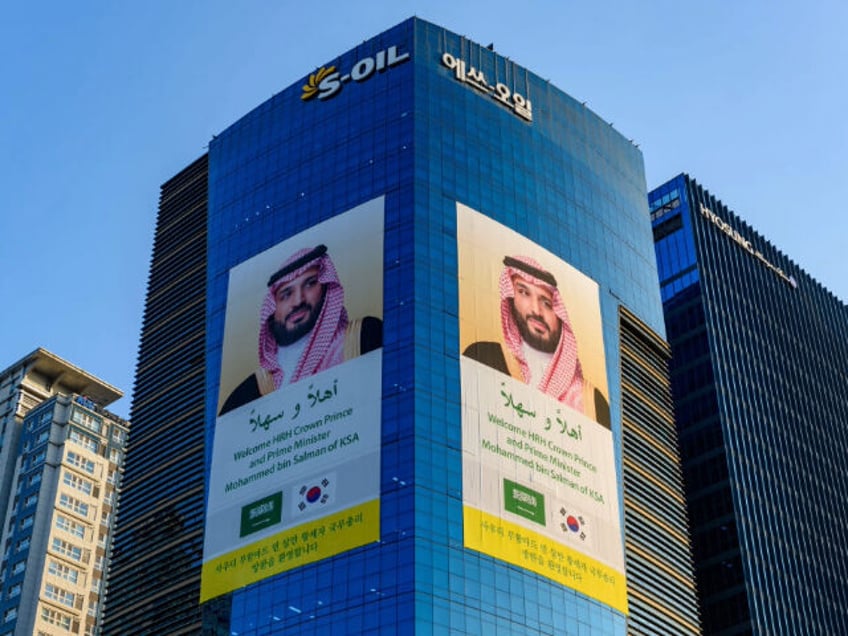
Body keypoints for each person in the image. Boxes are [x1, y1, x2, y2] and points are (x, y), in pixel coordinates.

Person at [219, 244, 382, 415]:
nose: (298, 301)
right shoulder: (250, 392)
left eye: (310, 284)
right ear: (273, 309)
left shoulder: (364, 338)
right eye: (286, 294)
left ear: (326, 287)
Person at [463, 255, 609, 427]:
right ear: (511, 298)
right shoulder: (483, 357)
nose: (536, 310)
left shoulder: (592, 401)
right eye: (524, 293)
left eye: (546, 303)